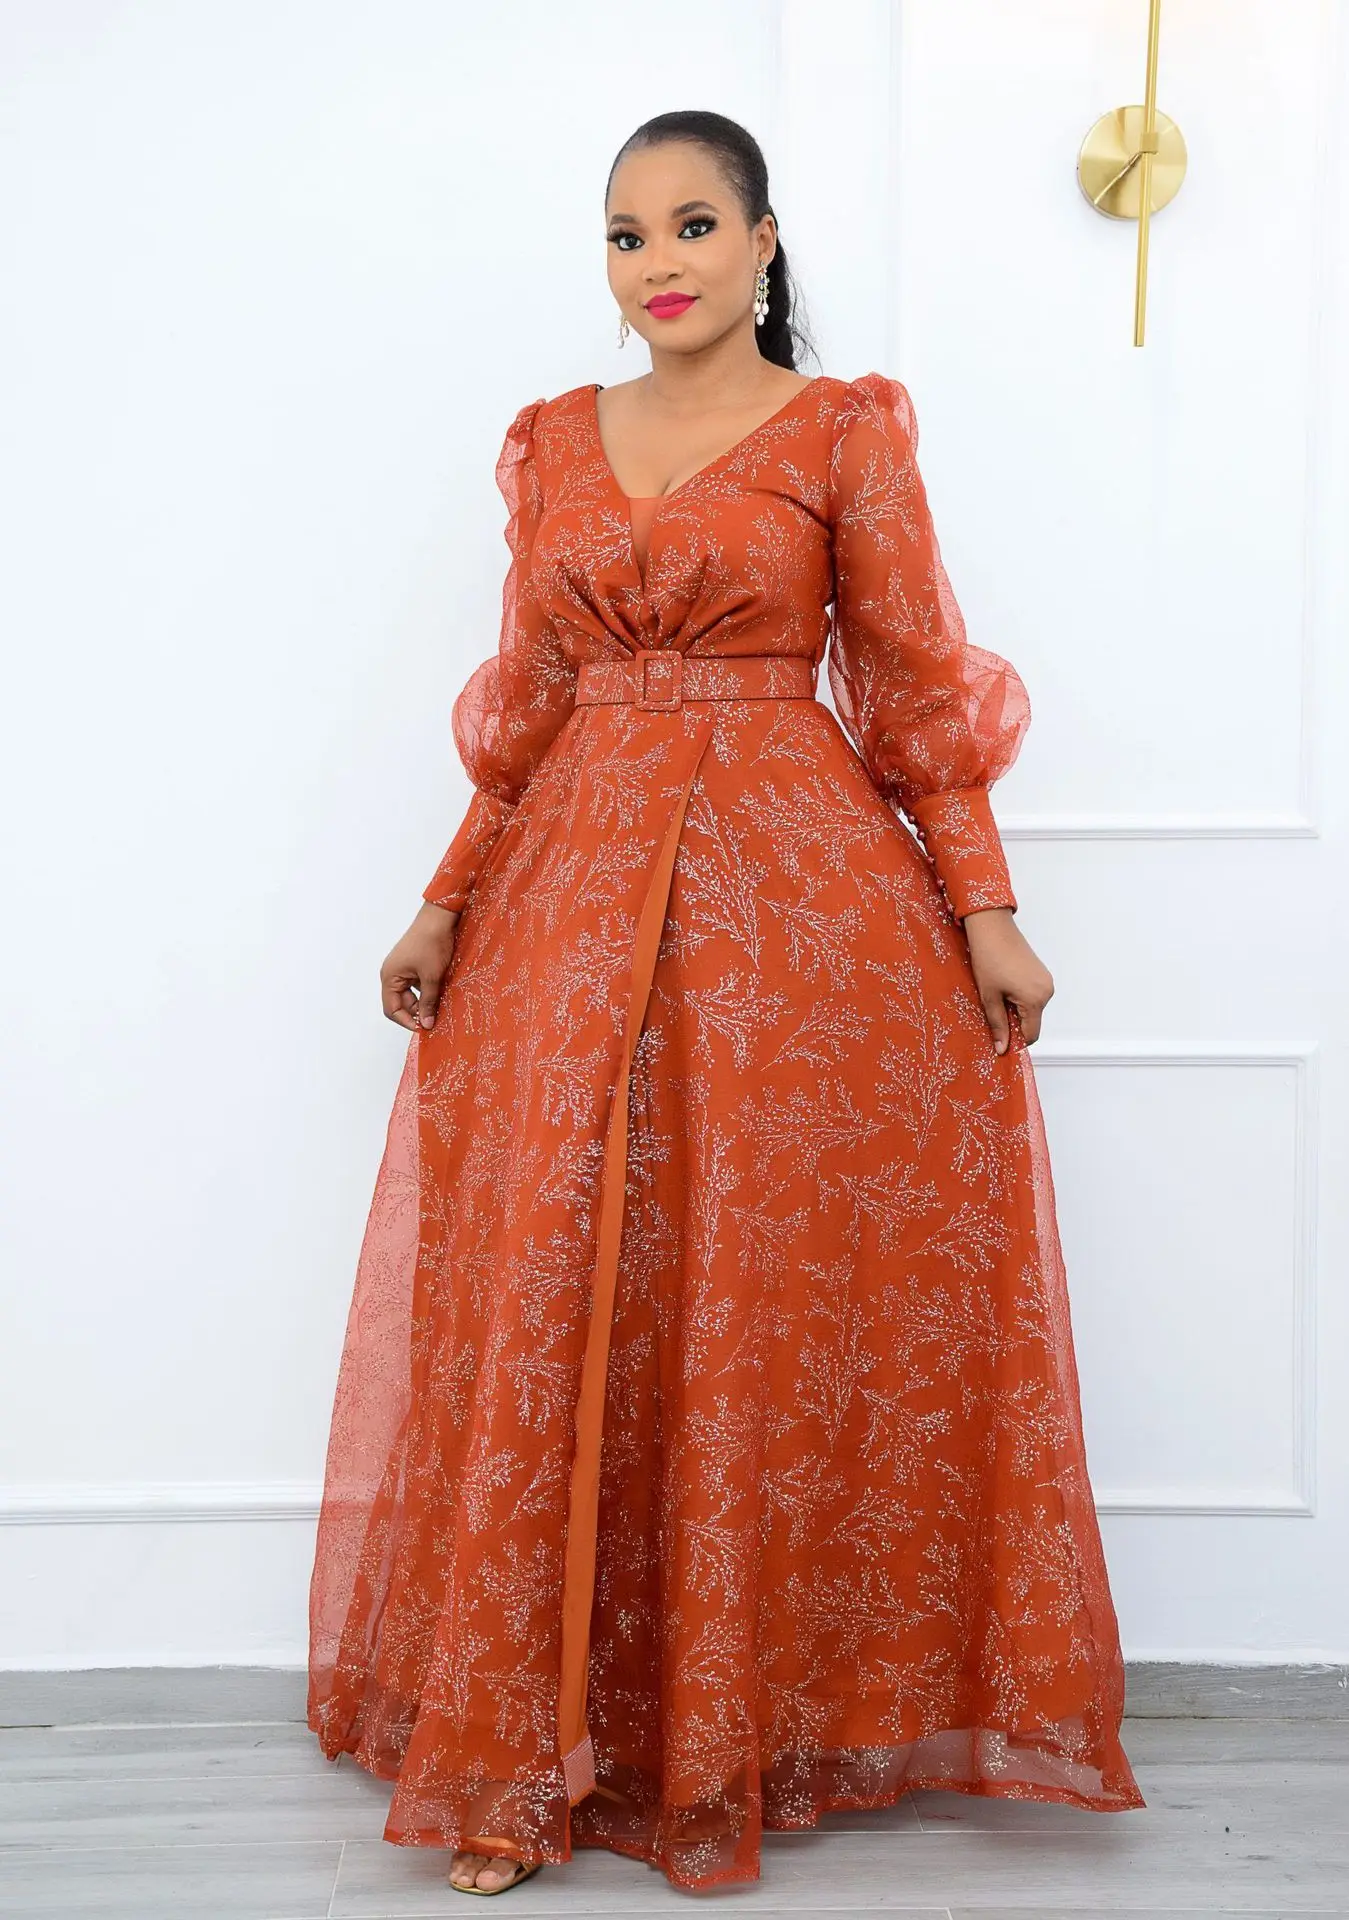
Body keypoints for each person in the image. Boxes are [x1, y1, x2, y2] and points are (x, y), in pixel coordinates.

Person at [306, 108, 1146, 1899]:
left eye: (694, 223)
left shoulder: (844, 432)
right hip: (563, 909)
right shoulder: (551, 441)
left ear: (766, 240)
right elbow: (529, 704)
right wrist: (444, 897)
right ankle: (518, 1757)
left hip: (792, 923)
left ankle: (739, 1728)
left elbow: (912, 683)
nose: (659, 261)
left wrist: (986, 908)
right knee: (558, 1287)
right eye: (625, 235)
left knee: (743, 1295)